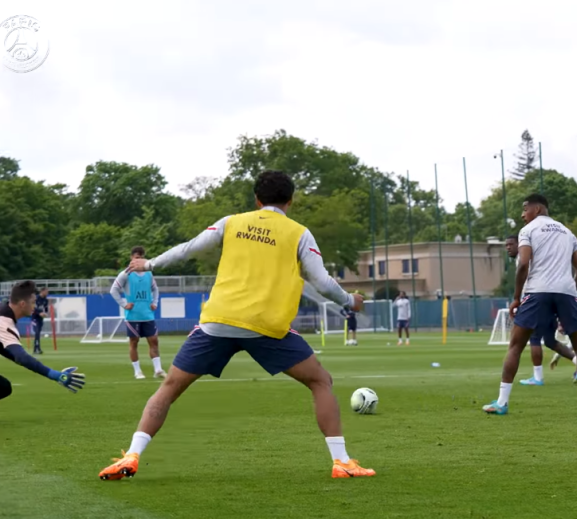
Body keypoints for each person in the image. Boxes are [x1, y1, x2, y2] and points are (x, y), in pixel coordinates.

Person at [99, 170, 374, 481]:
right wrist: (350, 301)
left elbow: (189, 248)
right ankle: (342, 462)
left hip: (218, 322)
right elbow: (322, 282)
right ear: (290, 201)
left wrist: (148, 264)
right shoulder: (299, 232)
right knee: (320, 381)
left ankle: (132, 455)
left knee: (169, 388)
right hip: (266, 327)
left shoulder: (231, 222)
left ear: (256, 199)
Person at [482, 194, 577, 415]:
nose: (522, 214)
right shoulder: (567, 231)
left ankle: (502, 402)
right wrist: (572, 292)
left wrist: (517, 297)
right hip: (566, 292)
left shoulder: (528, 231)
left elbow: (523, 264)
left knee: (516, 346)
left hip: (537, 291)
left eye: (525, 209)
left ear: (536, 209)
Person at [0, 280, 85, 424]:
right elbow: (21, 357)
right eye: (33, 302)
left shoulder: (0, 308)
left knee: (0, 386)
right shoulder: (3, 323)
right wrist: (54, 375)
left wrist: (19, 357)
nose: (35, 306)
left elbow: (4, 348)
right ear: (23, 304)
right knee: (0, 387)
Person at [504, 234, 574, 386]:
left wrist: (520, 300)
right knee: (549, 341)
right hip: (551, 298)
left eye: (511, 244)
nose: (508, 247)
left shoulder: (524, 259)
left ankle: (538, 377)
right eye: (506, 245)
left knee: (533, 338)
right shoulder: (536, 257)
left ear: (519, 244)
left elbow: (528, 279)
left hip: (535, 301)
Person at [111, 246, 165, 380]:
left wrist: (155, 303)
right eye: (136, 258)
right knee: (134, 342)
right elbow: (113, 290)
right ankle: (137, 371)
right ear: (131, 258)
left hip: (147, 314)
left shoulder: (148, 273)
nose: (138, 260)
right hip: (133, 315)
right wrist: (124, 304)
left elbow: (155, 289)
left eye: (141, 258)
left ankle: (158, 370)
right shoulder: (125, 274)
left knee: (154, 341)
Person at [31, 287, 50, 354]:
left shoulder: (45, 300)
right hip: (34, 318)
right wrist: (39, 313)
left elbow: (46, 308)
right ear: (42, 291)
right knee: (37, 332)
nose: (47, 293)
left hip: (40, 319)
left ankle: (36, 348)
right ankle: (36, 348)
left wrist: (45, 314)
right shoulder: (36, 298)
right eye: (46, 291)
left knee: (38, 332)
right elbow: (32, 308)